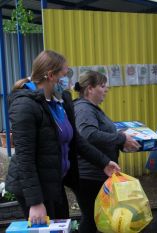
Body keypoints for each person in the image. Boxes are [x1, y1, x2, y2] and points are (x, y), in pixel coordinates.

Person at [5, 50, 122, 225]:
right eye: (64, 74)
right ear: (51, 75)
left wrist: (104, 162)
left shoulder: (58, 102)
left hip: (54, 180)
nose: (68, 80)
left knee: (62, 225)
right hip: (34, 186)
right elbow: (25, 158)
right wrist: (35, 202)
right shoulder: (25, 106)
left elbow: (76, 139)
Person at [73, 70, 140, 233]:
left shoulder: (92, 108)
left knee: (96, 218)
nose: (107, 89)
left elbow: (101, 137)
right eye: (102, 86)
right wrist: (121, 138)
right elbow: (89, 135)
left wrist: (121, 144)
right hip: (89, 176)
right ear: (90, 89)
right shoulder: (84, 109)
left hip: (97, 173)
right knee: (91, 218)